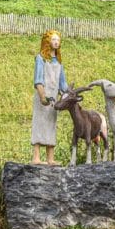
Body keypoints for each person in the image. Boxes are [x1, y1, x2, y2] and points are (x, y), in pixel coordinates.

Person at [31, 29, 69, 165]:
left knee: (51, 125)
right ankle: (36, 157)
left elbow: (63, 84)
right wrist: (42, 96)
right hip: (43, 98)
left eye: (58, 40)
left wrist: (67, 95)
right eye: (53, 39)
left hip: (53, 100)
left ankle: (50, 158)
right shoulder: (41, 59)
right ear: (47, 41)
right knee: (39, 123)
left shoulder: (59, 62)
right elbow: (38, 80)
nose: (56, 42)